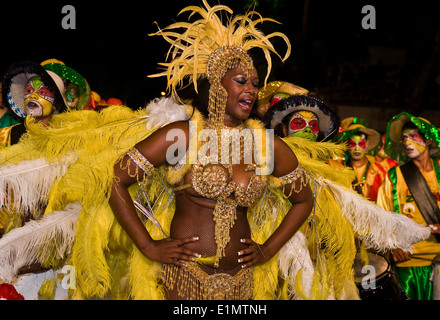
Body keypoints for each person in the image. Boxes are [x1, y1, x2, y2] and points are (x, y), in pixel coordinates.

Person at [376, 112, 440, 300]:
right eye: (405, 138)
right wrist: (393, 246)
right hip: (407, 261)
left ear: (428, 140)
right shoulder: (394, 176)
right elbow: (382, 217)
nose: (408, 142)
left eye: (414, 136)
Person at [1, 60, 68, 146]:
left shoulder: (66, 138)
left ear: (55, 104)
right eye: (29, 90)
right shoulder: (6, 136)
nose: (33, 96)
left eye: (43, 92)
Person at [332, 117, 385, 202]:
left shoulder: (378, 171)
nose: (357, 149)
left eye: (361, 144)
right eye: (353, 144)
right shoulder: (337, 168)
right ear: (347, 145)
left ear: (367, 144)